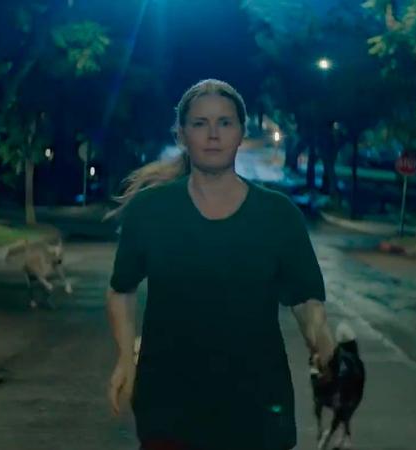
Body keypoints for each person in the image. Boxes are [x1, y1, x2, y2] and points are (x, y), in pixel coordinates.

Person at [105, 79, 336, 450]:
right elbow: (121, 290)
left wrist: (323, 345)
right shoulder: (150, 211)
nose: (213, 135)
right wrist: (124, 359)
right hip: (169, 407)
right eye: (200, 123)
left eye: (225, 123)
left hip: (258, 412)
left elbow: (307, 302)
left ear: (241, 133)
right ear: (182, 135)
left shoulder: (278, 215)